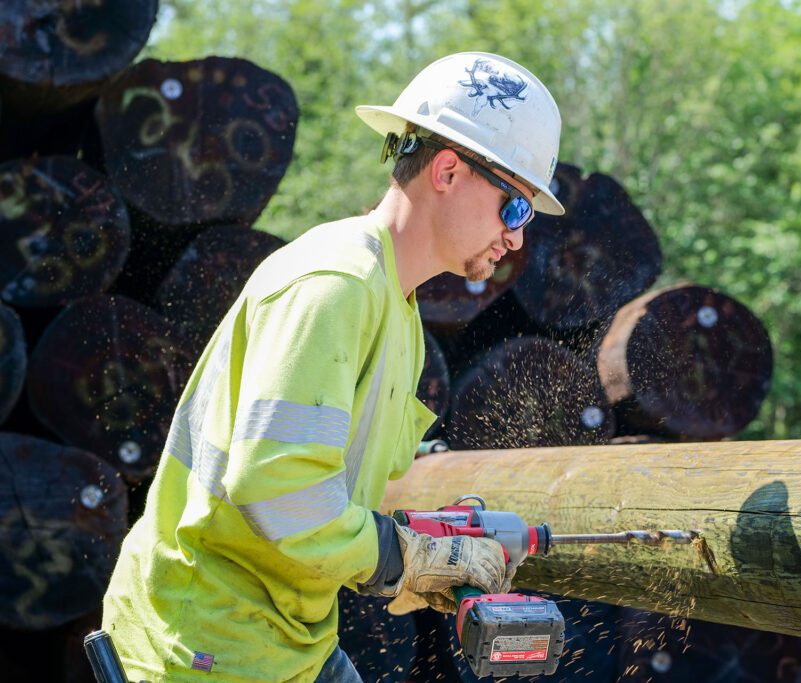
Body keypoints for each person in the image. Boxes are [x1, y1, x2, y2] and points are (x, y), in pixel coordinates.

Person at [100, 51, 564, 682]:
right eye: (515, 209)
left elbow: (343, 488)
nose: (516, 238)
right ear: (449, 171)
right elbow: (279, 491)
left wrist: (433, 540)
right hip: (205, 644)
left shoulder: (397, 309)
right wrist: (406, 557)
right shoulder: (334, 285)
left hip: (286, 634)